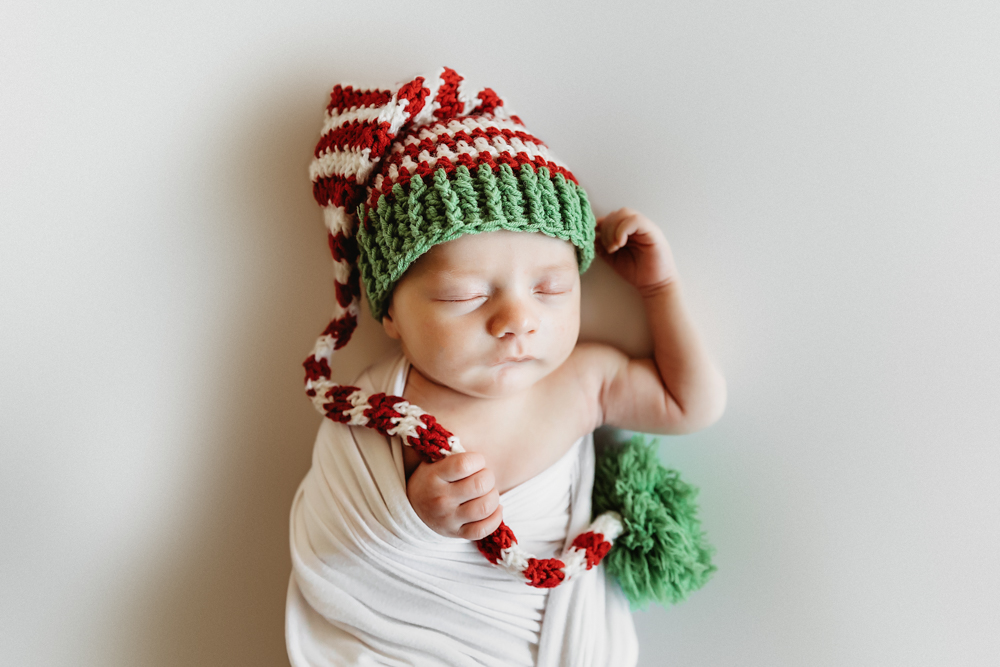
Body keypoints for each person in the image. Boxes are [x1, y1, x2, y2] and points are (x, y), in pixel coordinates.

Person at [286, 67, 726, 667]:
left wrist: (661, 289)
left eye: (550, 288)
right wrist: (413, 520)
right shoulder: (378, 410)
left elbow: (690, 403)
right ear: (390, 313)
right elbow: (333, 546)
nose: (517, 320)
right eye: (465, 296)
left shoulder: (582, 382)